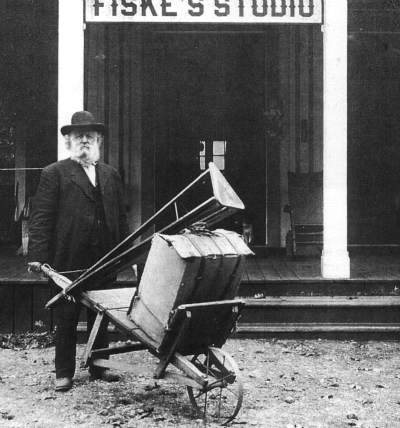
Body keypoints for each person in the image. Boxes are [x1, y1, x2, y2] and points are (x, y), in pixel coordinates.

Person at [28, 111, 129, 392]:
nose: (84, 140)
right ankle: (64, 373)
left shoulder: (110, 174)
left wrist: (125, 253)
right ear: (69, 142)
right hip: (68, 258)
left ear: (97, 141)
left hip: (104, 257)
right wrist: (38, 255)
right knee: (66, 316)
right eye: (78, 136)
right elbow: (41, 217)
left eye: (89, 136)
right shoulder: (54, 173)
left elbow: (121, 216)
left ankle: (100, 366)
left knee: (101, 314)